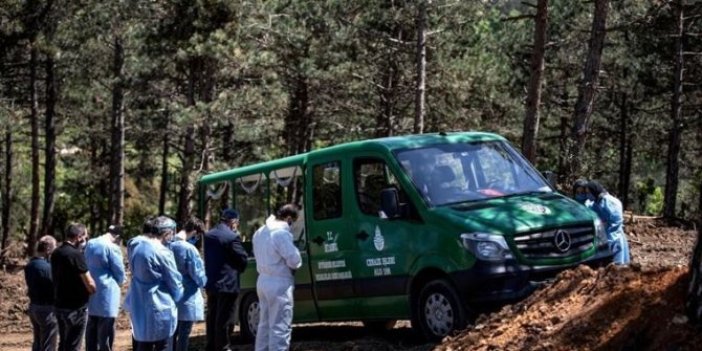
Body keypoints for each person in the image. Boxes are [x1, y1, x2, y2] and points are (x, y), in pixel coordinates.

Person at [125, 216, 183, 351]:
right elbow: (175, 282)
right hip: (161, 307)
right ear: (167, 233)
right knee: (163, 345)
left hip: (140, 304)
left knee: (143, 344)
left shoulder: (138, 247)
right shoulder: (163, 252)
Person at [252, 204, 302, 351]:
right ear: (288, 218)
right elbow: (294, 260)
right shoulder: (281, 233)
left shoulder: (260, 232)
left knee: (264, 325)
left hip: (262, 280)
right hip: (279, 282)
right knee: (280, 326)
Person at [204, 209, 248, 351]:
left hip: (212, 283)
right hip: (228, 284)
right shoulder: (232, 237)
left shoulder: (209, 234)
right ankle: (223, 347)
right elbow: (242, 258)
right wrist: (240, 268)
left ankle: (211, 345)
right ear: (233, 222)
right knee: (226, 319)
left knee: (212, 317)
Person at [51, 223, 97, 351]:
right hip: (76, 308)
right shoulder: (76, 255)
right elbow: (90, 283)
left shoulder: (56, 253)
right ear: (79, 237)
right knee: (74, 344)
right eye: (85, 237)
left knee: (64, 342)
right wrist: (93, 290)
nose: (85, 241)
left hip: (59, 305)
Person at [84, 225, 126, 351]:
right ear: (118, 237)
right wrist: (121, 281)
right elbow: (119, 272)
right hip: (107, 292)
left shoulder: (90, 243)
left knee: (91, 326)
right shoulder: (112, 248)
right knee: (106, 329)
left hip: (91, 289)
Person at [168, 217, 207, 351]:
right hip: (187, 298)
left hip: (170, 296)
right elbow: (198, 275)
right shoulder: (189, 249)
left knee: (172, 333)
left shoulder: (167, 244)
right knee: (184, 334)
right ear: (195, 232)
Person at [25, 235, 59, 351]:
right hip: (47, 309)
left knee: (38, 341)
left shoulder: (30, 265)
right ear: (48, 249)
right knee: (48, 344)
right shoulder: (47, 268)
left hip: (34, 306)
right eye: (54, 248)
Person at [586, 180, 631, 265]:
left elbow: (615, 223)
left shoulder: (610, 202)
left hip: (614, 238)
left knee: (618, 265)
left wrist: (609, 241)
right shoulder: (596, 202)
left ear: (594, 191)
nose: (588, 195)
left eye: (589, 193)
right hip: (604, 238)